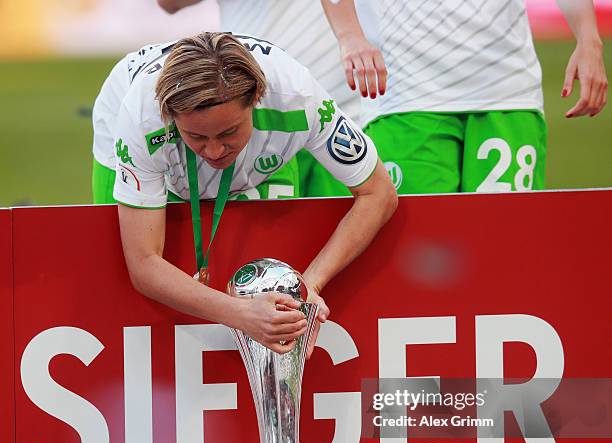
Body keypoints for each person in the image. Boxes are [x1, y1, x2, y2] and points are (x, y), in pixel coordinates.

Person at [92, 32, 397, 354]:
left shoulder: (298, 96)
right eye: (195, 136)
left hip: (263, 144)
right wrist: (241, 314)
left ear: (256, 99)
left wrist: (311, 285)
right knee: (121, 277)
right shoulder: (141, 118)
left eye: (228, 132)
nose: (213, 150)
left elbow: (379, 193)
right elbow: (143, 263)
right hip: (141, 136)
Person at [321, 0, 608, 194]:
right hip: (404, 93)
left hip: (508, 91)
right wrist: (350, 36)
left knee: (505, 245)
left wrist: (588, 39)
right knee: (415, 254)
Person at [156, 0, 360, 195]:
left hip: (342, 106)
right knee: (272, 230)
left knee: (339, 219)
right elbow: (169, 3)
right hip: (250, 117)